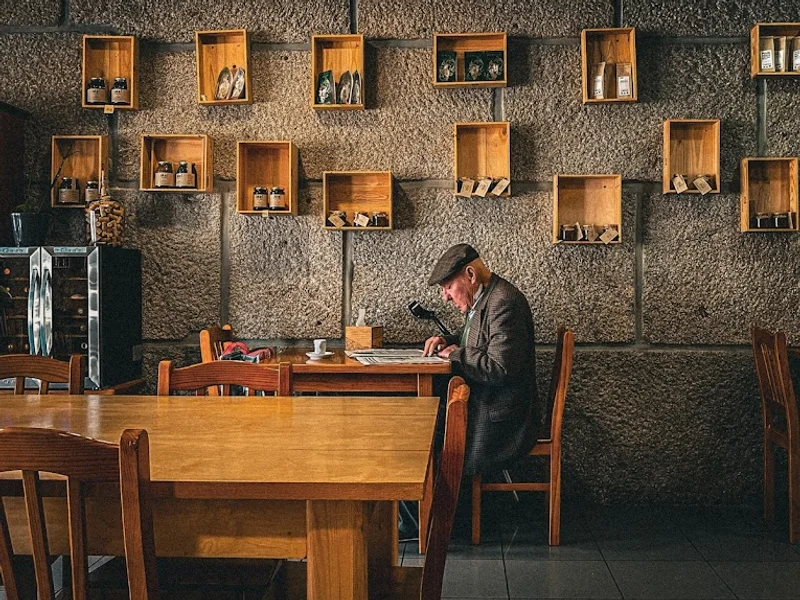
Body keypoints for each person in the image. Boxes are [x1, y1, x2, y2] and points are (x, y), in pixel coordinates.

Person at [423, 243, 540, 476]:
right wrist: (447, 341)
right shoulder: (486, 299)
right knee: (424, 427)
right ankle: (434, 504)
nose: (445, 297)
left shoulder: (504, 302)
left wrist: (456, 354)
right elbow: (481, 342)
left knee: (424, 435)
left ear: (470, 275)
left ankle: (440, 505)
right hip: (487, 402)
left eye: (447, 287)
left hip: (503, 418)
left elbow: (500, 368)